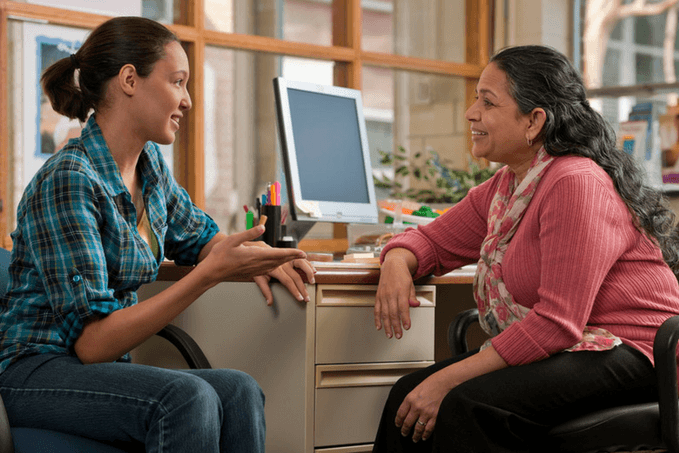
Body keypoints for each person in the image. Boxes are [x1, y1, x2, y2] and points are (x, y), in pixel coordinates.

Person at [0, 16, 316, 453]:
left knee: (239, 389)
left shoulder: (151, 172)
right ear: (130, 79)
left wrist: (264, 256)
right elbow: (92, 344)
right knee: (188, 397)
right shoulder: (70, 179)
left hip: (100, 368)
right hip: (37, 371)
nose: (187, 100)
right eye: (177, 82)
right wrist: (208, 275)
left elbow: (202, 239)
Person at [372, 45, 679, 452]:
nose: (471, 113)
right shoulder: (507, 187)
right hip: (576, 345)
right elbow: (430, 240)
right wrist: (396, 260)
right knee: (407, 395)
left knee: (464, 403)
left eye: (488, 101)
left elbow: (556, 321)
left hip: (636, 353)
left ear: (534, 121)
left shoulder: (575, 182)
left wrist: (446, 379)